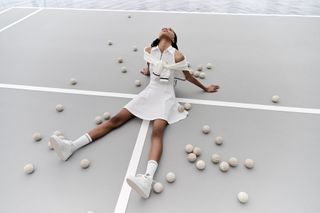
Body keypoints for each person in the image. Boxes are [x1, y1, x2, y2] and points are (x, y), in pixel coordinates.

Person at [49, 27, 220, 199]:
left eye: (170, 30)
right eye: (164, 28)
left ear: (173, 39)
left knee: (157, 131)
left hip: (165, 97)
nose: (166, 29)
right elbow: (149, 63)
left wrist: (205, 87)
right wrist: (147, 71)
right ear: (158, 35)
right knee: (115, 120)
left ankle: (147, 179)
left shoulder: (177, 56)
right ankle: (70, 146)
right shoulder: (149, 50)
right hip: (148, 93)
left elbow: (188, 76)